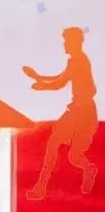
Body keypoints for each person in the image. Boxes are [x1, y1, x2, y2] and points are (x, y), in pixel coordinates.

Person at [24, 27, 98, 199]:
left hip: (82, 112)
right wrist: (39, 77)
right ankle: (86, 170)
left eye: (66, 41)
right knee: (68, 152)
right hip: (82, 111)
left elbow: (59, 83)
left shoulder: (78, 61)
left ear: (75, 42)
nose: (64, 44)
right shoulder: (77, 60)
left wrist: (41, 85)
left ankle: (42, 187)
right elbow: (61, 77)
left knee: (62, 149)